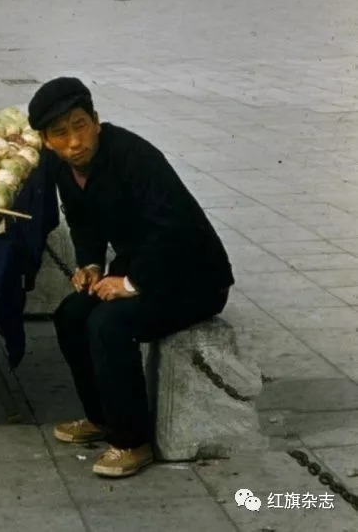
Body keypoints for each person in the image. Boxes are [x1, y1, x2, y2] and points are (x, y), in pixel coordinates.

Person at [27, 77, 234, 479]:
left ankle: (132, 441)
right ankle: (102, 418)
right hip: (140, 264)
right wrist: (90, 265)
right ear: (46, 141)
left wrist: (129, 283)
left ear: (96, 121)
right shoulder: (60, 166)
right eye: (61, 133)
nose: (75, 142)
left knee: (109, 323)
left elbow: (174, 228)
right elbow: (82, 219)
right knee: (71, 314)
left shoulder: (134, 157)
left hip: (194, 277)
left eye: (80, 125)